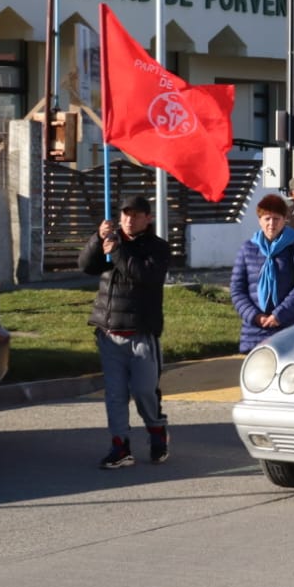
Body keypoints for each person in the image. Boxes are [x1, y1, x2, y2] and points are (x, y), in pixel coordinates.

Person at [79, 194, 170, 469]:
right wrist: (98, 238)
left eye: (136, 214)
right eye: (125, 214)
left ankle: (156, 430)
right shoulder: (111, 242)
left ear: (148, 218)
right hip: (109, 333)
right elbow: (86, 265)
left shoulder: (158, 248)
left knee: (144, 391)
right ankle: (120, 446)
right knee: (115, 395)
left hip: (141, 333)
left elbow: (144, 276)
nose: (129, 219)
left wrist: (117, 251)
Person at [231, 193, 294, 353]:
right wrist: (255, 316)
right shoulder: (248, 248)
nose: (271, 224)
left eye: (276, 219)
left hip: (288, 327)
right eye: (267, 219)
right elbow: (237, 289)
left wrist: (279, 315)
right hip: (255, 330)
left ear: (285, 220)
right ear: (259, 221)